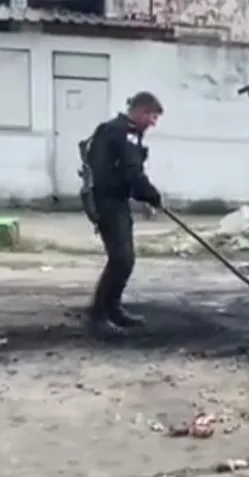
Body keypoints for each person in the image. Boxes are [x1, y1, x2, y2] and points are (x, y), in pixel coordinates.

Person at [82, 91, 164, 338]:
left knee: (124, 259)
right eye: (151, 115)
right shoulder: (123, 133)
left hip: (114, 200)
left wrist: (146, 194)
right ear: (139, 112)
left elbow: (129, 174)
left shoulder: (121, 131)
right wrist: (151, 195)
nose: (153, 122)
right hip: (107, 201)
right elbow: (132, 175)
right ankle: (98, 317)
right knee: (121, 259)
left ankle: (113, 309)